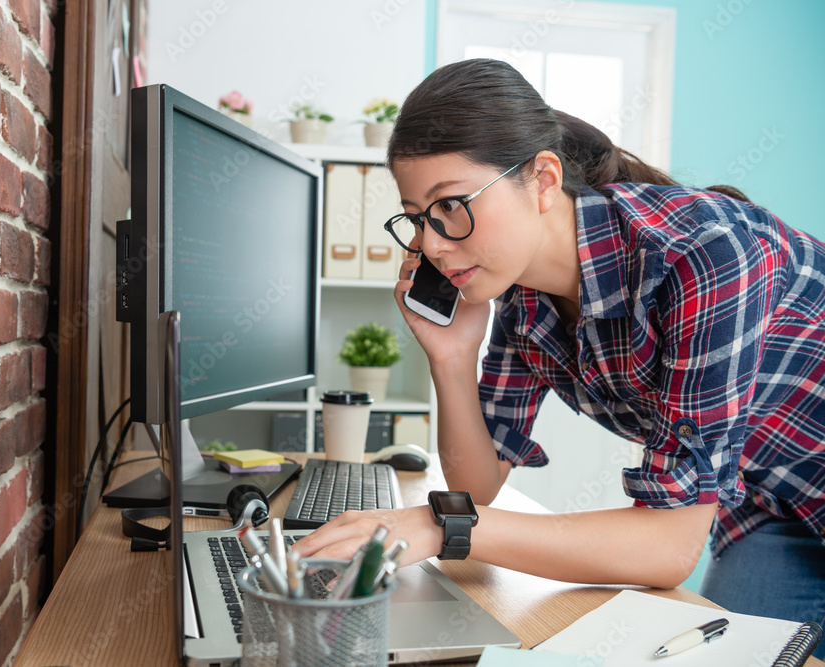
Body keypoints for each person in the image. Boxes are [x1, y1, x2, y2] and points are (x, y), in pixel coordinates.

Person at [295, 58, 825, 652]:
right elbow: (479, 485)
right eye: (419, 219)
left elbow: (668, 548)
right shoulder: (524, 298)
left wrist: (440, 526)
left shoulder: (703, 255)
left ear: (544, 180)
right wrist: (451, 356)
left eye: (451, 206)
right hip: (772, 504)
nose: (432, 245)